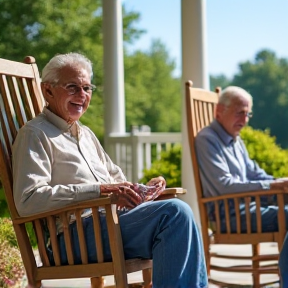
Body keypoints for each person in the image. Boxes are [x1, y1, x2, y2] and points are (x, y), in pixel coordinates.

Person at [12, 52, 208, 288]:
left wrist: (143, 190)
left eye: (87, 88)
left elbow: (117, 182)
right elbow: (28, 200)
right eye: (72, 87)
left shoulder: (85, 134)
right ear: (48, 90)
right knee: (174, 213)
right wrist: (98, 190)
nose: (82, 95)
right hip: (75, 239)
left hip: (110, 224)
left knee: (180, 217)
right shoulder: (35, 134)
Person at [195, 86, 288, 233]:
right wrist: (271, 186)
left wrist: (280, 183)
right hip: (230, 217)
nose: (244, 120)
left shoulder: (236, 140)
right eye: (240, 113)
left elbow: (255, 173)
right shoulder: (207, 139)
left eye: (247, 114)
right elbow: (224, 186)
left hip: (251, 208)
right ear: (219, 111)